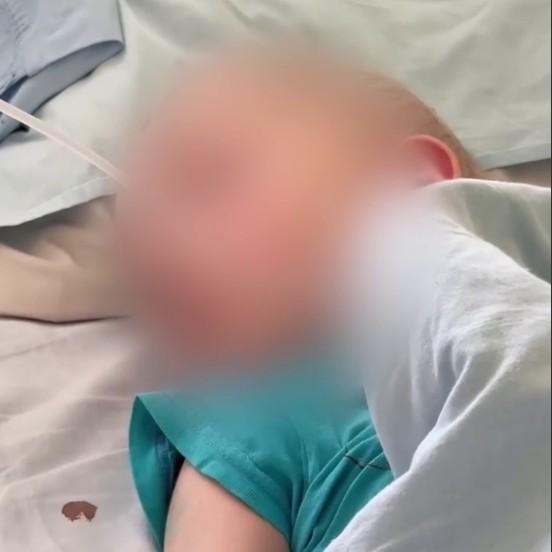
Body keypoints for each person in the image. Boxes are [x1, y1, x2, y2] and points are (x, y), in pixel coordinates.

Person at [121, 43, 550, 551]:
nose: (163, 251)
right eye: (139, 265)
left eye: (204, 183)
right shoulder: (246, 423)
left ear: (410, 183)